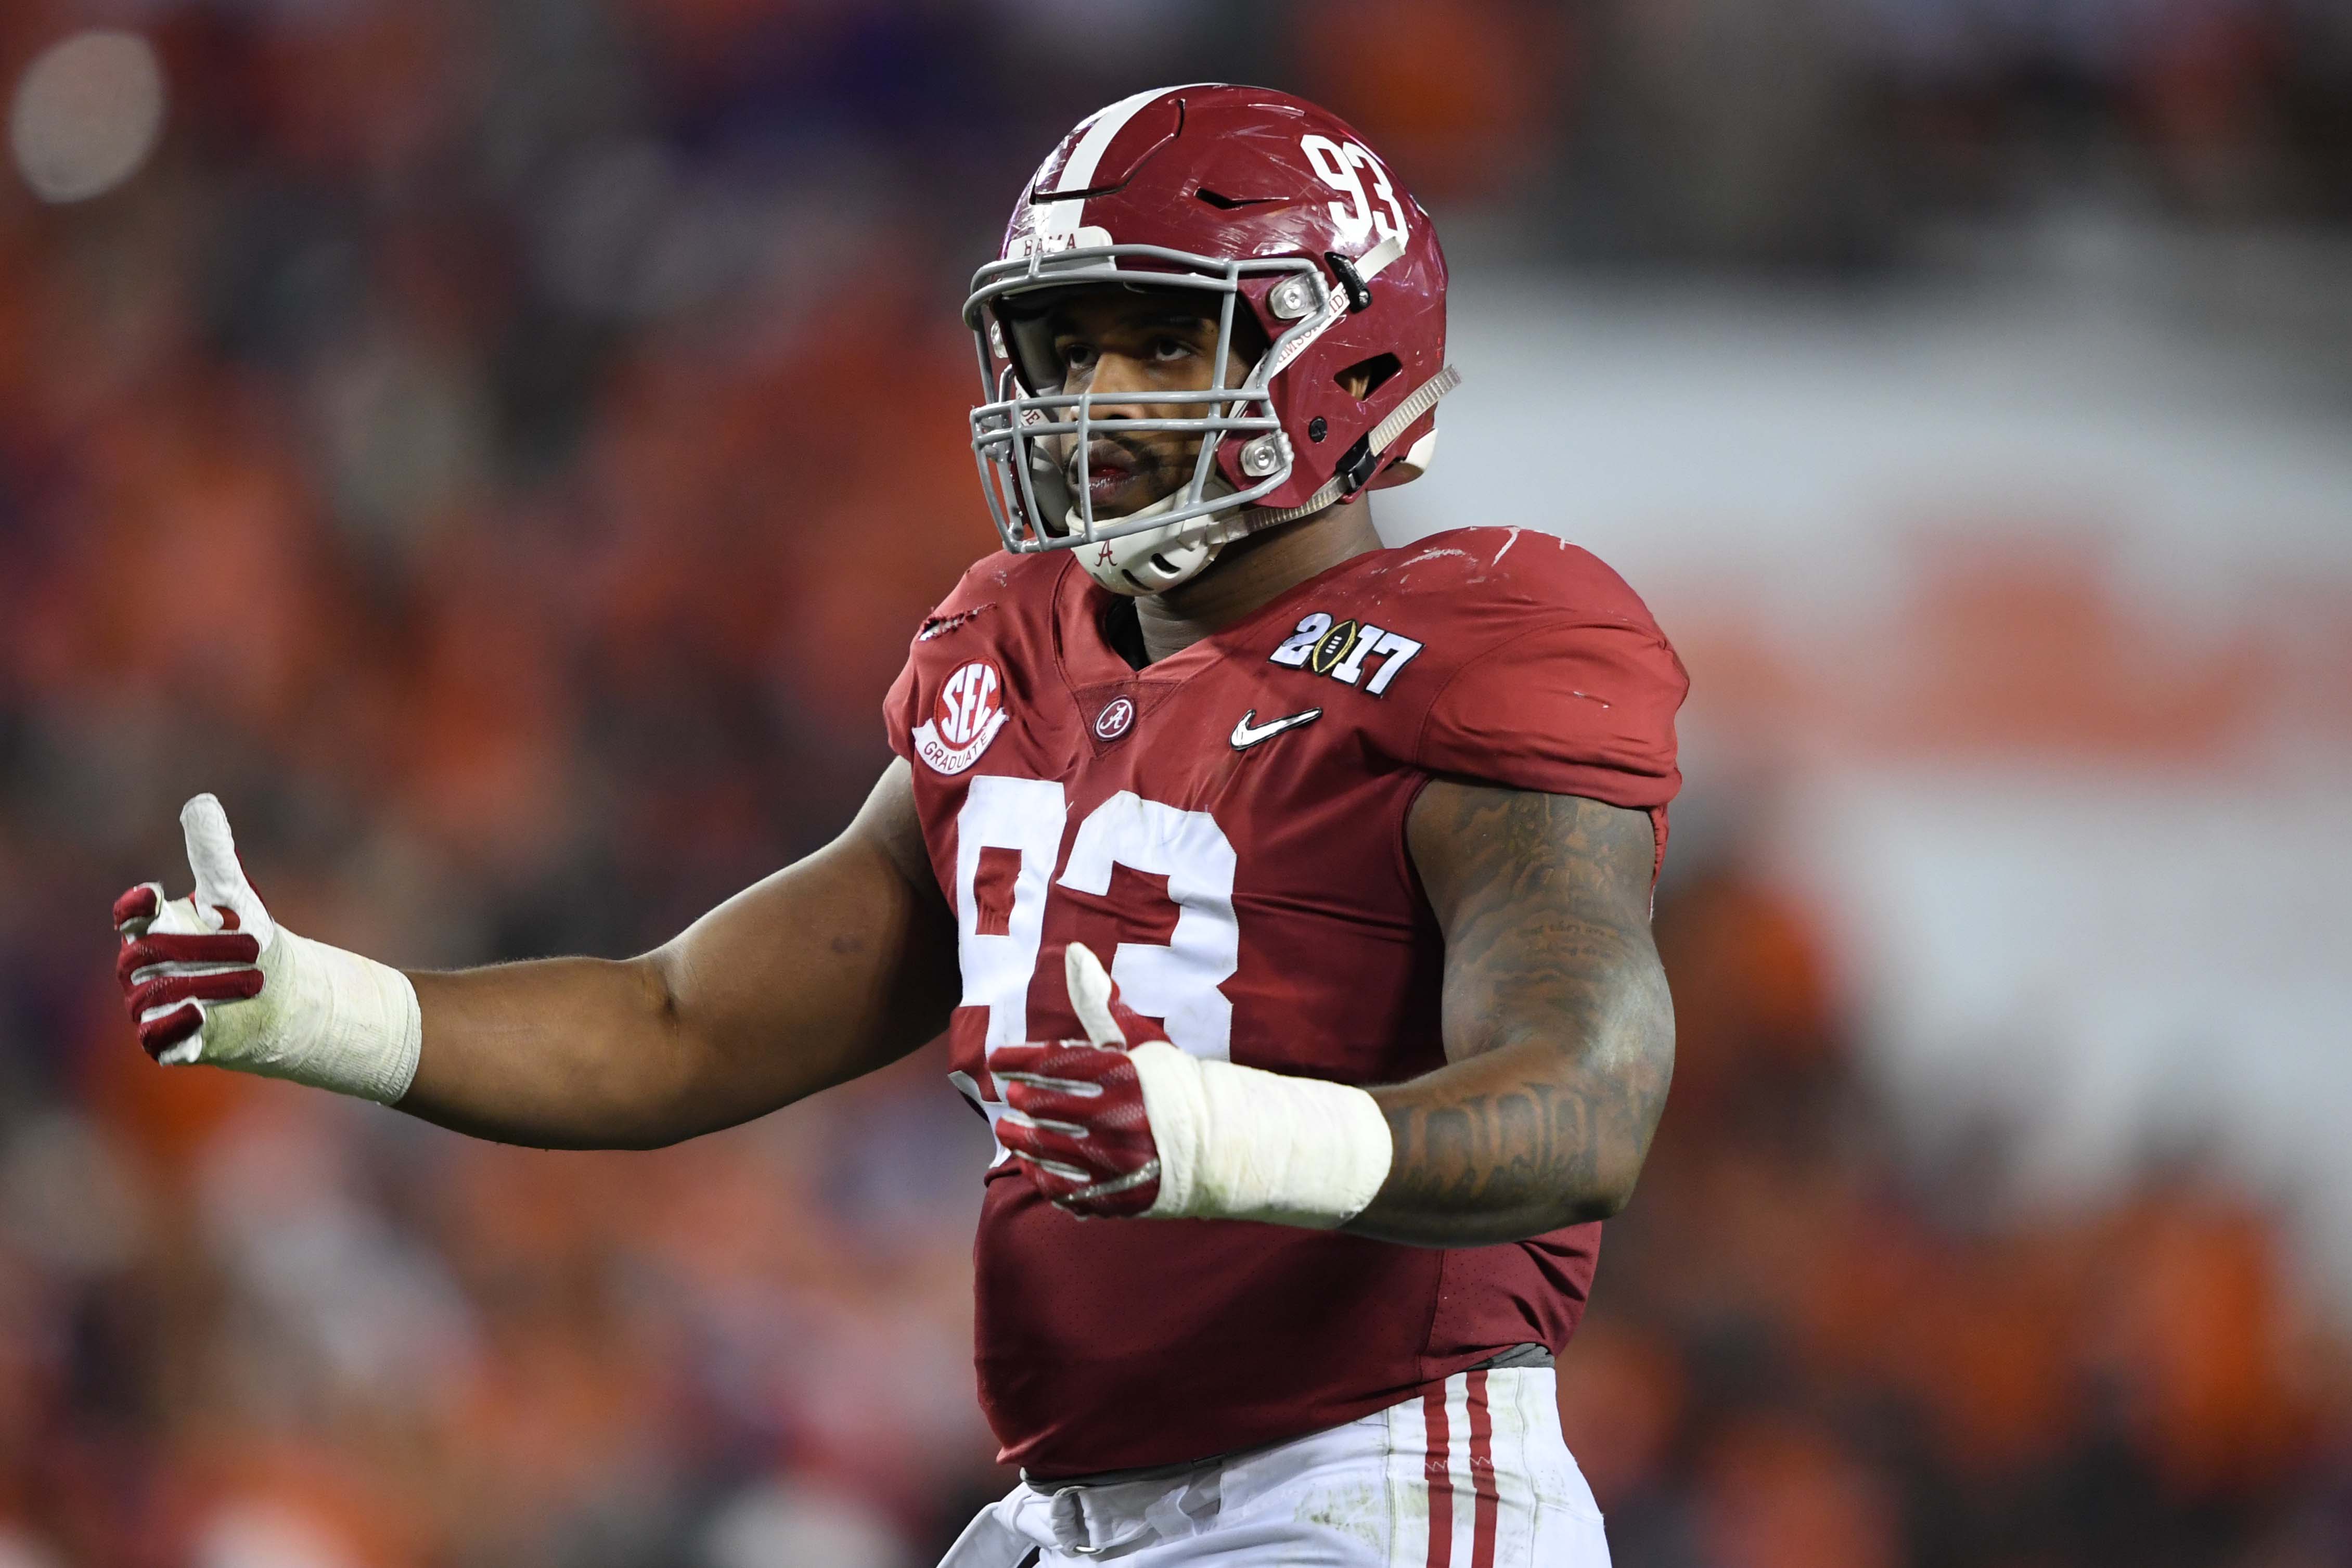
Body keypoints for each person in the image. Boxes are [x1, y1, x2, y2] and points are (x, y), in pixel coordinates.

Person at [112, 85, 1687, 1567]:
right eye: (1065, 349)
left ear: (1344, 358)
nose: (1097, 397)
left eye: (1161, 340)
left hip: (1371, 1486)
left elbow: (1587, 1099)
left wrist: (1232, 1135)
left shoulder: (1481, 636)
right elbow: (680, 1025)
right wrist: (327, 1010)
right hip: (1075, 1510)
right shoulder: (1014, 647)